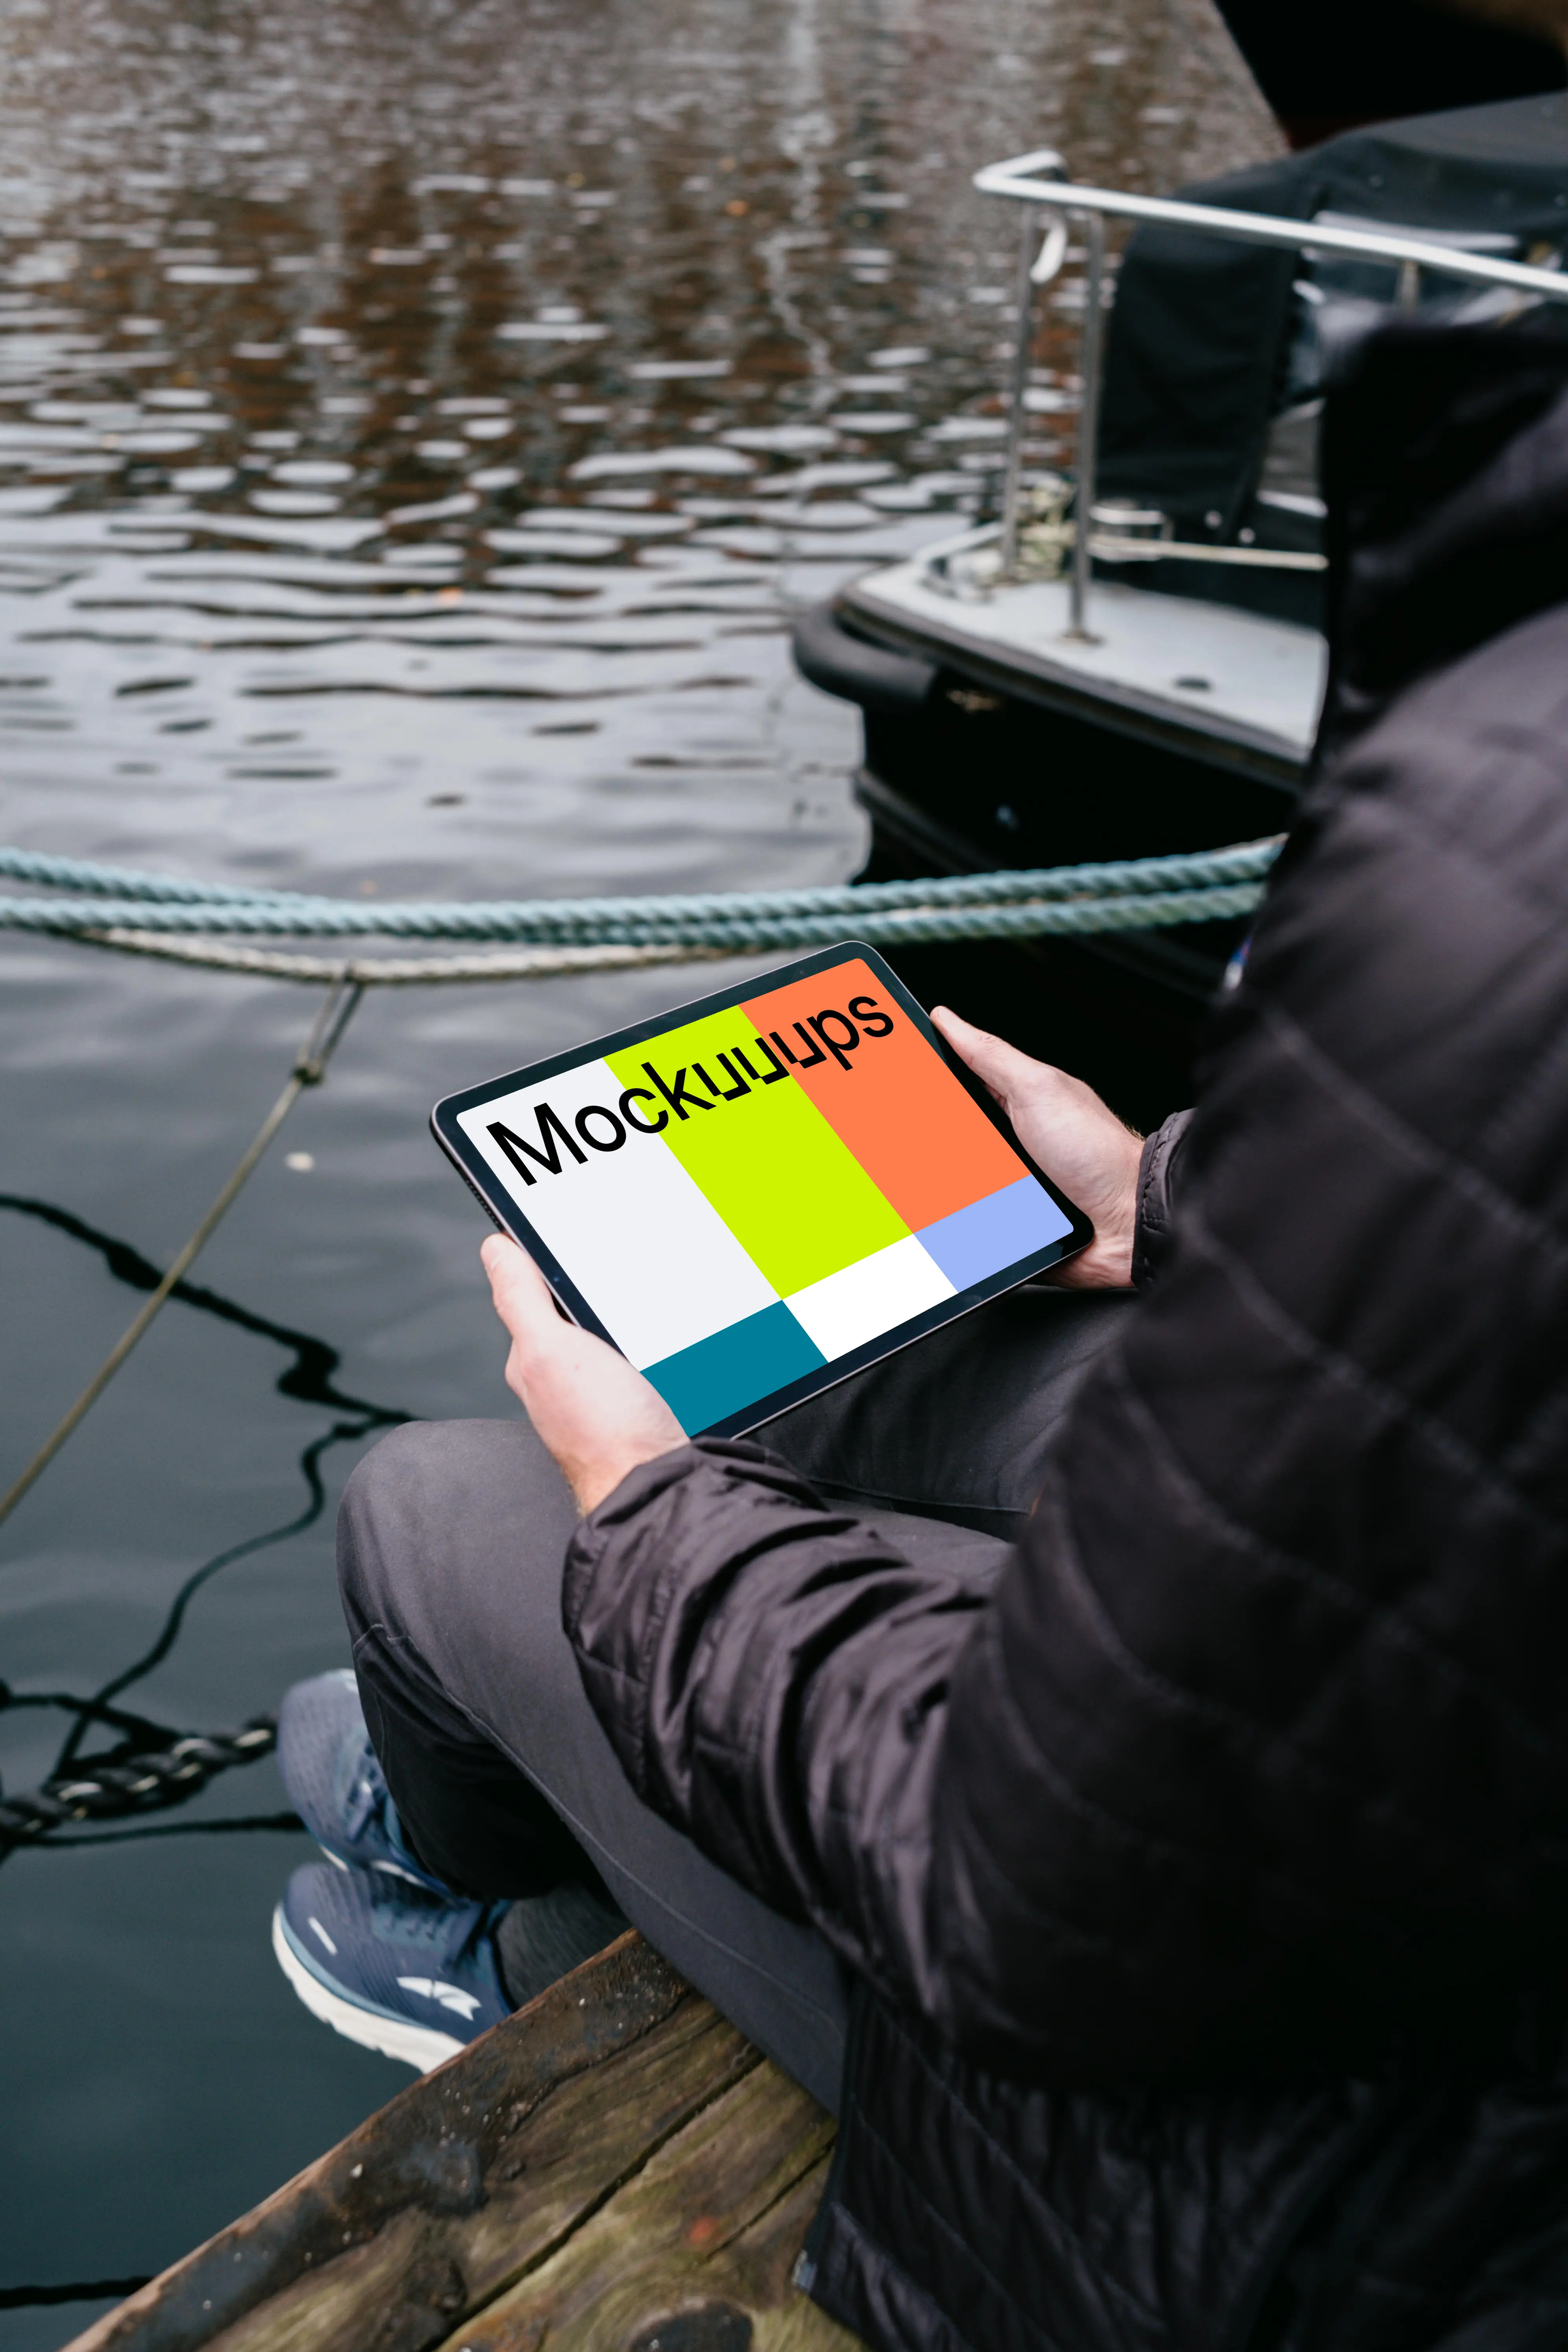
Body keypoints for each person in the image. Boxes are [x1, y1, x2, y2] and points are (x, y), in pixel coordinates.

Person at [273, 312, 1568, 2351]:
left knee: (432, 1502)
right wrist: (1172, 1199)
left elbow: (1040, 1887)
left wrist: (649, 1518)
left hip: (1328, 2216)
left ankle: (471, 1904)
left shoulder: (1513, 802)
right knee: (858, 1356)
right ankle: (548, 1722)